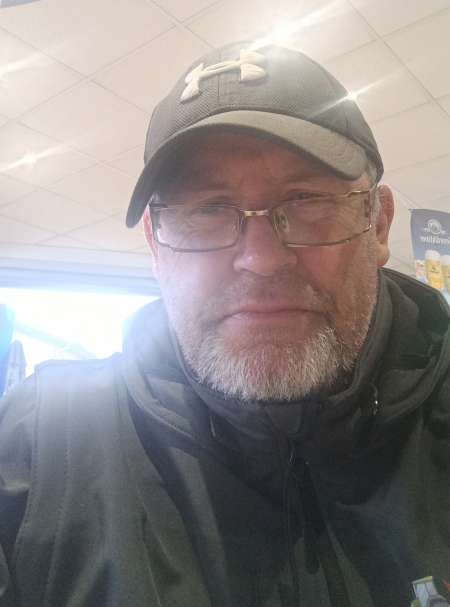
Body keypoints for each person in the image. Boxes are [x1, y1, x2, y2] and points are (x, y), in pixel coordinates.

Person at [0, 42, 449, 607]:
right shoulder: (37, 451)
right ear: (156, 247)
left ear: (378, 224)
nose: (261, 259)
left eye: (307, 200)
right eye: (205, 211)